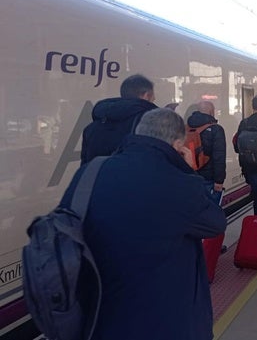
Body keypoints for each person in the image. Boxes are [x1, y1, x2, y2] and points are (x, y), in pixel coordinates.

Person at [60, 108, 226, 340]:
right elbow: (216, 223)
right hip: (164, 321)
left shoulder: (90, 172)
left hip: (99, 318)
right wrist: (188, 170)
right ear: (178, 144)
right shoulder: (180, 184)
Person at [80, 74, 158, 165]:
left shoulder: (92, 128)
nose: (154, 99)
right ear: (146, 96)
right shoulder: (149, 125)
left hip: (99, 178)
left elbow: (85, 166)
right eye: (153, 97)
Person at [187, 100, 226, 204]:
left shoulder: (186, 127)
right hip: (209, 178)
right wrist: (219, 180)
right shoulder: (216, 130)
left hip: (190, 176)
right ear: (211, 112)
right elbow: (219, 157)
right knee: (211, 210)